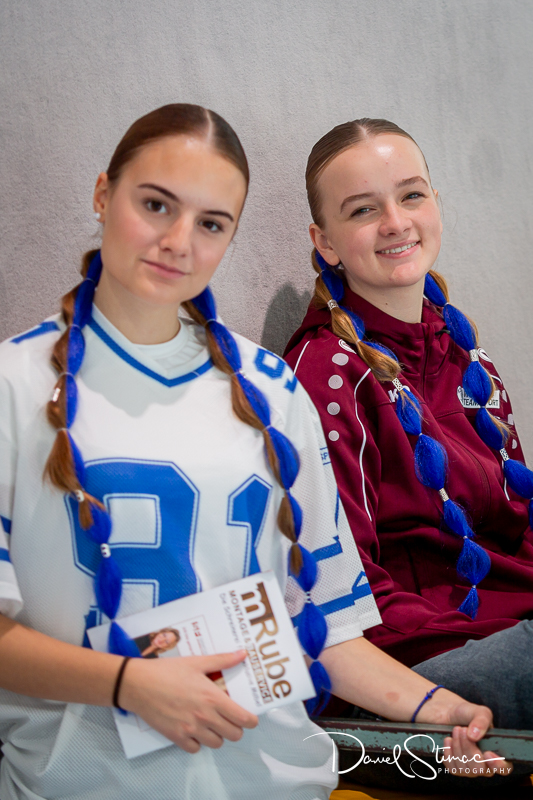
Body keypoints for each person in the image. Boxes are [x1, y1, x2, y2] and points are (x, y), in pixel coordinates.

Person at [0, 105, 507, 800]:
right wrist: (127, 683)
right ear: (102, 194)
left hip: (280, 782)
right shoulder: (15, 386)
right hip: (84, 786)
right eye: (156, 204)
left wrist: (438, 708)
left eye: (212, 223)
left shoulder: (271, 390)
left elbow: (329, 631)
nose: (178, 241)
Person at [284, 118, 533, 781]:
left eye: (411, 195)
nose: (395, 222)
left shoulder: (465, 355)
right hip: (410, 671)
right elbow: (347, 594)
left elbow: (518, 524)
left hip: (506, 633)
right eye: (362, 210)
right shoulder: (325, 375)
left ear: (435, 204)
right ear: (324, 242)